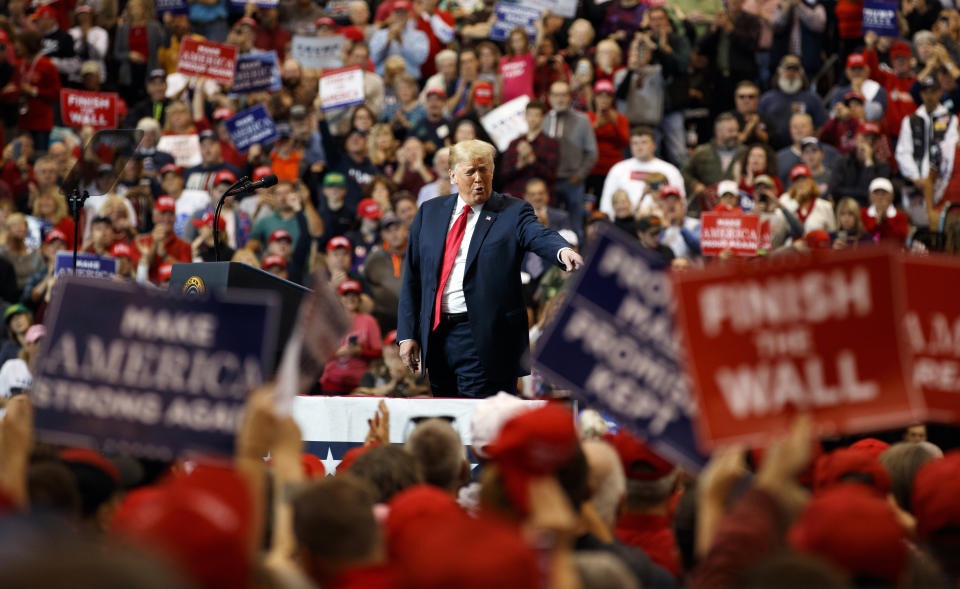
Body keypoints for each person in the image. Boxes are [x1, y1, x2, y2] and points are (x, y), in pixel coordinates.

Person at [397, 139, 583, 398]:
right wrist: (407, 334)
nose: (478, 178)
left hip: (486, 338)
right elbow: (413, 279)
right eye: (470, 171)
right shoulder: (429, 212)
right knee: (449, 423)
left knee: (479, 426)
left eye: (484, 170)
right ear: (452, 175)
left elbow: (538, 234)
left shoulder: (513, 211)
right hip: (437, 337)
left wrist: (563, 251)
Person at [895, 76, 959, 225]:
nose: (929, 96)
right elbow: (903, 152)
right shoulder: (910, 120)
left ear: (939, 93)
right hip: (915, 183)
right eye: (926, 92)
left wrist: (935, 180)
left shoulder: (950, 119)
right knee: (918, 222)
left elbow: (950, 152)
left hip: (942, 181)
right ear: (921, 94)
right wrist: (916, 178)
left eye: (933, 91)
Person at [544, 81, 598, 235]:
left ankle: (578, 256)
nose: (559, 99)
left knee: (576, 226)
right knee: (551, 226)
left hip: (573, 181)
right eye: (556, 95)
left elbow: (592, 152)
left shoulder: (582, 120)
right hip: (550, 182)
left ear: (569, 97)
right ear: (549, 98)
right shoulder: (545, 119)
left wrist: (579, 175)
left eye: (563, 95)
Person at [600, 127, 685, 220]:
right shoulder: (618, 169)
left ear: (654, 145)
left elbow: (680, 202)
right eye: (635, 143)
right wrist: (608, 221)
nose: (639, 147)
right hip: (626, 221)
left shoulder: (669, 170)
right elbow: (607, 202)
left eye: (644, 142)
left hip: (660, 221)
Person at [320, 279, 383, 394]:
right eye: (346, 295)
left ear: (359, 298)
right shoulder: (331, 321)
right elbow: (319, 353)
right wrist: (339, 353)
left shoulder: (369, 321)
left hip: (360, 382)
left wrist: (360, 351)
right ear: (339, 299)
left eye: (354, 295)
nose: (350, 298)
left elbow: (378, 352)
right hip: (333, 380)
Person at [757, 55, 827, 148]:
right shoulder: (767, 99)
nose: (791, 73)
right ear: (779, 72)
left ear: (801, 73)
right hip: (773, 148)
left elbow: (821, 127)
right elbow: (759, 126)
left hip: (805, 150)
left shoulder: (813, 99)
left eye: (795, 70)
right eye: (787, 70)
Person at [500, 100, 560, 199]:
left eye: (536, 115)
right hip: (515, 196)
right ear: (525, 117)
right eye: (530, 115)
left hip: (538, 198)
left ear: (542, 118)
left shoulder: (551, 144)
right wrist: (519, 165)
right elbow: (503, 175)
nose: (532, 119)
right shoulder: (514, 143)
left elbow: (551, 176)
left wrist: (532, 160)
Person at [363, 214, 408, 332]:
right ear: (382, 235)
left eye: (397, 229)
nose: (394, 234)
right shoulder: (374, 260)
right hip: (385, 321)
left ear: (405, 230)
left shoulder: (418, 253)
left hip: (416, 316)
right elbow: (365, 287)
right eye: (388, 231)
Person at [369, 1, 429, 79]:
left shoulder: (419, 35)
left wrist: (401, 42)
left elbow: (419, 60)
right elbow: (373, 59)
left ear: (409, 15)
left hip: (410, 79)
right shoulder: (379, 34)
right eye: (397, 13)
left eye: (404, 13)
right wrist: (387, 42)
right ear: (391, 15)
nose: (400, 16)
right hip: (384, 79)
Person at [0, 323, 43, 402]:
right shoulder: (11, 366)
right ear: (27, 346)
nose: (41, 345)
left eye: (44, 341)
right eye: (36, 341)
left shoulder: (51, 375)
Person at [861, 177, 909, 244]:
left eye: (883, 193)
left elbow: (901, 239)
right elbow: (862, 238)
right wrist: (877, 223)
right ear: (870, 196)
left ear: (892, 196)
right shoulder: (862, 213)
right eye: (876, 193)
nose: (880, 197)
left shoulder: (901, 216)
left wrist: (884, 220)